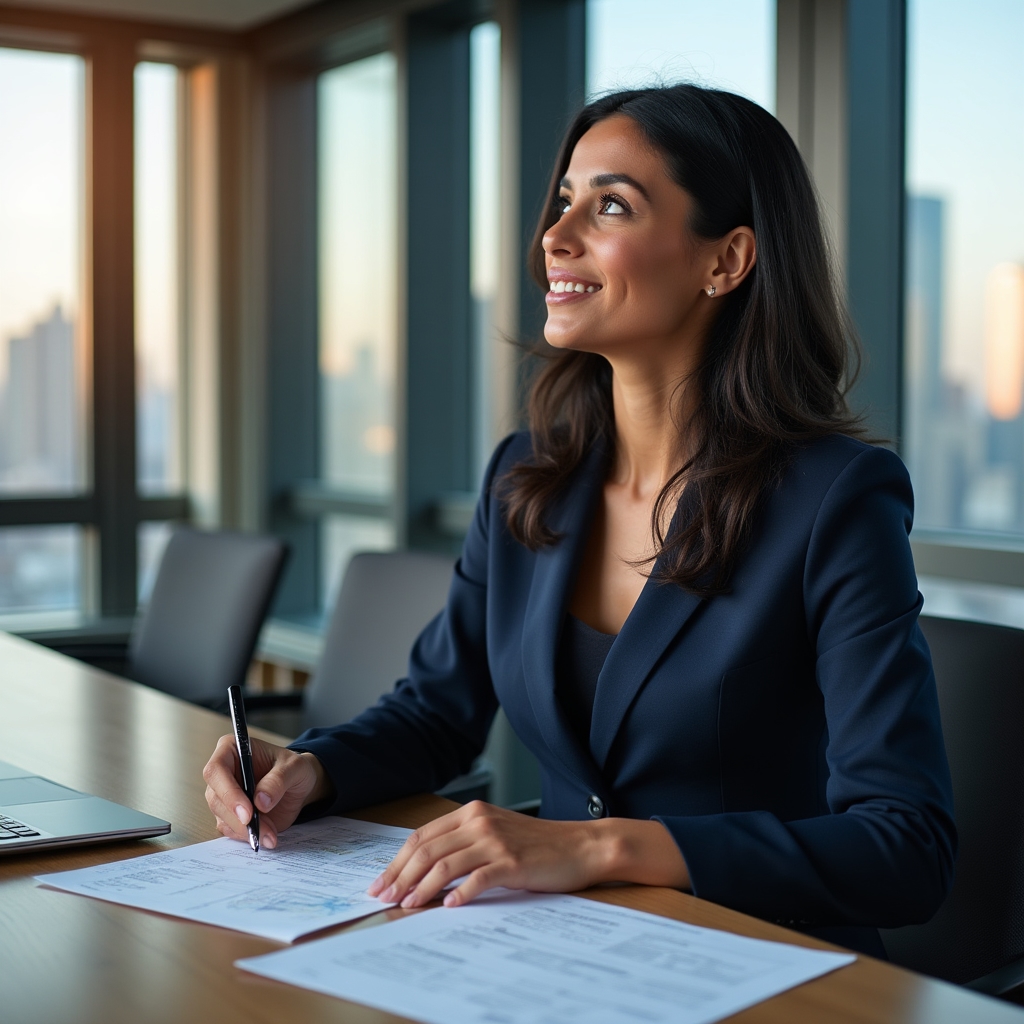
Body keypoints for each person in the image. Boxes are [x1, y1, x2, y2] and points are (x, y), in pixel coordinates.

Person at [204, 84, 956, 957]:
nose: (555, 237)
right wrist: (310, 770)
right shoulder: (527, 477)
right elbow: (436, 711)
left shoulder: (836, 497)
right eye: (564, 201)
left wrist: (599, 846)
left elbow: (907, 846)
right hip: (555, 953)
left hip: (757, 961)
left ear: (728, 260)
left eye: (610, 206)